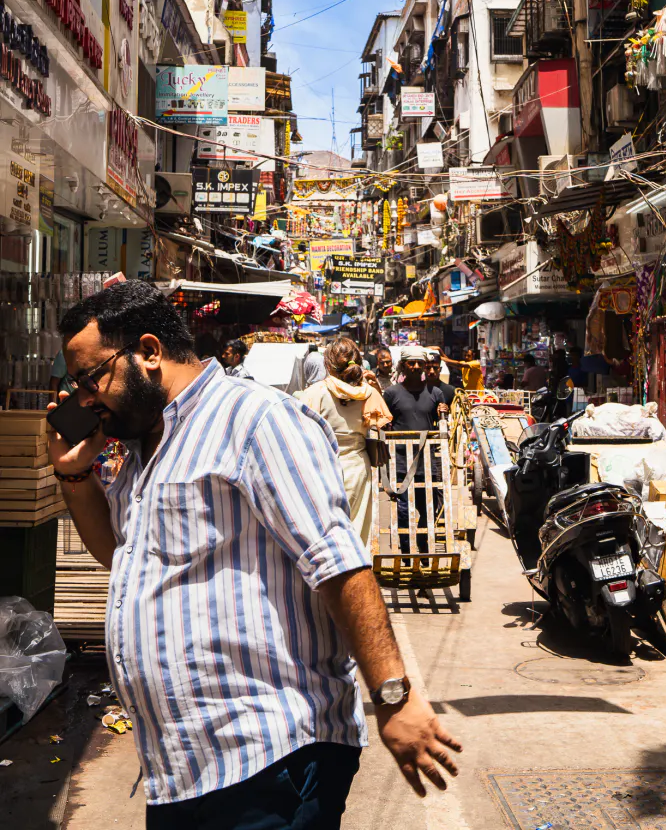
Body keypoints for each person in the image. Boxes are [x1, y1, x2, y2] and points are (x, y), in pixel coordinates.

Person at [48, 282, 461, 828]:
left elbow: (337, 561)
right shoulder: (143, 450)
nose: (84, 399)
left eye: (90, 379)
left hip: (267, 758)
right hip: (183, 768)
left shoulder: (254, 419)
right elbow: (122, 557)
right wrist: (76, 476)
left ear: (148, 352)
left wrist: (392, 696)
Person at [296, 338, 391, 546]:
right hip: (358, 468)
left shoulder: (314, 393)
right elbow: (382, 424)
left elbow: (299, 435)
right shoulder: (370, 393)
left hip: (322, 469)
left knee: (325, 534)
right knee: (357, 533)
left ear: (327, 365)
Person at [382, 346, 448, 551]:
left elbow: (443, 426)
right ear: (403, 365)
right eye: (411, 363)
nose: (416, 366)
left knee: (429, 509)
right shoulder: (392, 394)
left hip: (427, 462)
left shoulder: (436, 393)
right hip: (400, 463)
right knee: (403, 510)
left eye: (420, 363)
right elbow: (384, 424)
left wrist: (443, 413)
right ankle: (406, 551)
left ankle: (423, 543)